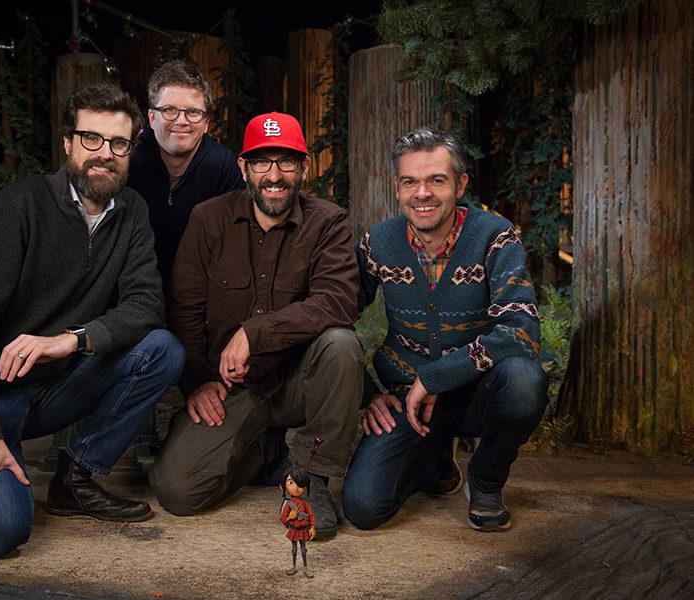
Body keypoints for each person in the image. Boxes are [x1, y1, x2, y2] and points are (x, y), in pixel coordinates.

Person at [0, 83, 185, 557]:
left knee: (162, 349)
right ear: (67, 143)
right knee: (2, 531)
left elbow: (146, 304)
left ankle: (76, 478)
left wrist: (72, 340)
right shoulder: (21, 206)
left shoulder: (131, 213)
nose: (104, 154)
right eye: (91, 139)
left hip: (56, 384)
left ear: (130, 150)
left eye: (118, 144)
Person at [150, 112, 364, 540]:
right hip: (234, 389)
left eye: (286, 162)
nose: (274, 176)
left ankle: (310, 479)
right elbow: (184, 308)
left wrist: (254, 332)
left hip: (299, 383)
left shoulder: (329, 222)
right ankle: (268, 451)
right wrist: (196, 381)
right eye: (262, 162)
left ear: (304, 168)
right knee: (177, 491)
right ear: (243, 168)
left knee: (341, 345)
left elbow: (338, 301)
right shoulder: (208, 219)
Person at [341, 127, 547, 532]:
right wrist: (365, 393)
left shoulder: (494, 236)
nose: (422, 193)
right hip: (406, 399)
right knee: (364, 508)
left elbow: (522, 330)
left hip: (478, 393)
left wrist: (436, 376)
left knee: (524, 380)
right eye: (410, 182)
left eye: (436, 180)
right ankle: (433, 459)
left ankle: (485, 479)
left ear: (460, 184)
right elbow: (333, 318)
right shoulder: (378, 243)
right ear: (397, 188)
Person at [127, 59, 244, 288]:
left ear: (206, 122)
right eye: (169, 110)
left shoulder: (223, 167)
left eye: (192, 112)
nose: (181, 121)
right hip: (132, 290)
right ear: (151, 118)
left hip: (200, 294)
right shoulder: (129, 159)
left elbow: (236, 246)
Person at [280, 466, 316, 578]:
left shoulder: (304, 503)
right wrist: (290, 517)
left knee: (304, 550)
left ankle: (306, 568)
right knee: (294, 549)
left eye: (300, 485)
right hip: (294, 529)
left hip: (303, 529)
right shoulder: (288, 504)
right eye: (291, 483)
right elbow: (282, 518)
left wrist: (313, 527)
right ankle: (294, 566)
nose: (296, 488)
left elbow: (311, 515)